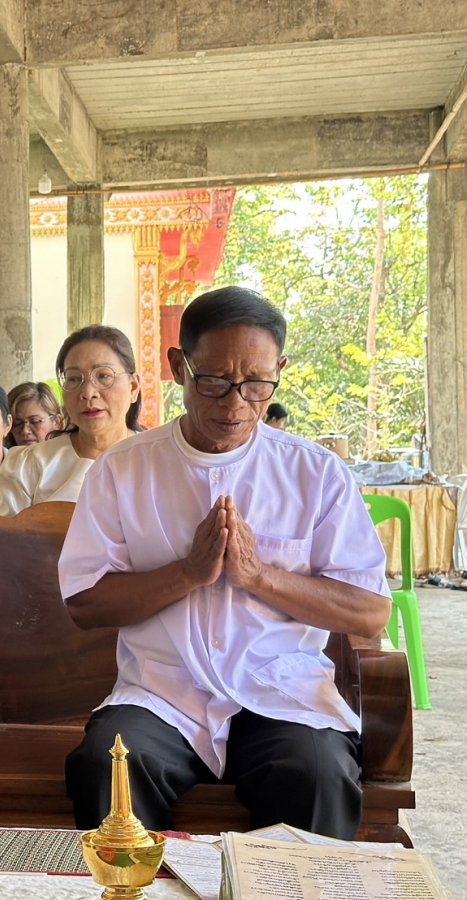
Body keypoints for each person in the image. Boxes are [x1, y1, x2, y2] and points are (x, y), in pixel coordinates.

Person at [60, 286, 391, 840]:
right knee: (108, 765)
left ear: (279, 370)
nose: (235, 402)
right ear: (176, 366)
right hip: (162, 692)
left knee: (316, 771)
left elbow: (369, 611)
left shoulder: (314, 473)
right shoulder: (123, 470)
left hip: (281, 689)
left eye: (256, 383)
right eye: (213, 379)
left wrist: (260, 578)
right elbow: (84, 603)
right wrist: (187, 573)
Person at [0, 326, 141, 516]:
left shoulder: (158, 462)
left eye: (103, 376)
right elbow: (4, 540)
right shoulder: (30, 464)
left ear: (134, 387)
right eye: (74, 379)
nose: (88, 393)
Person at [7, 382, 63, 448]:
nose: (25, 431)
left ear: (57, 422)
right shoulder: (7, 457)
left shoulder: (70, 456)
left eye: (34, 422)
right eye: (17, 424)